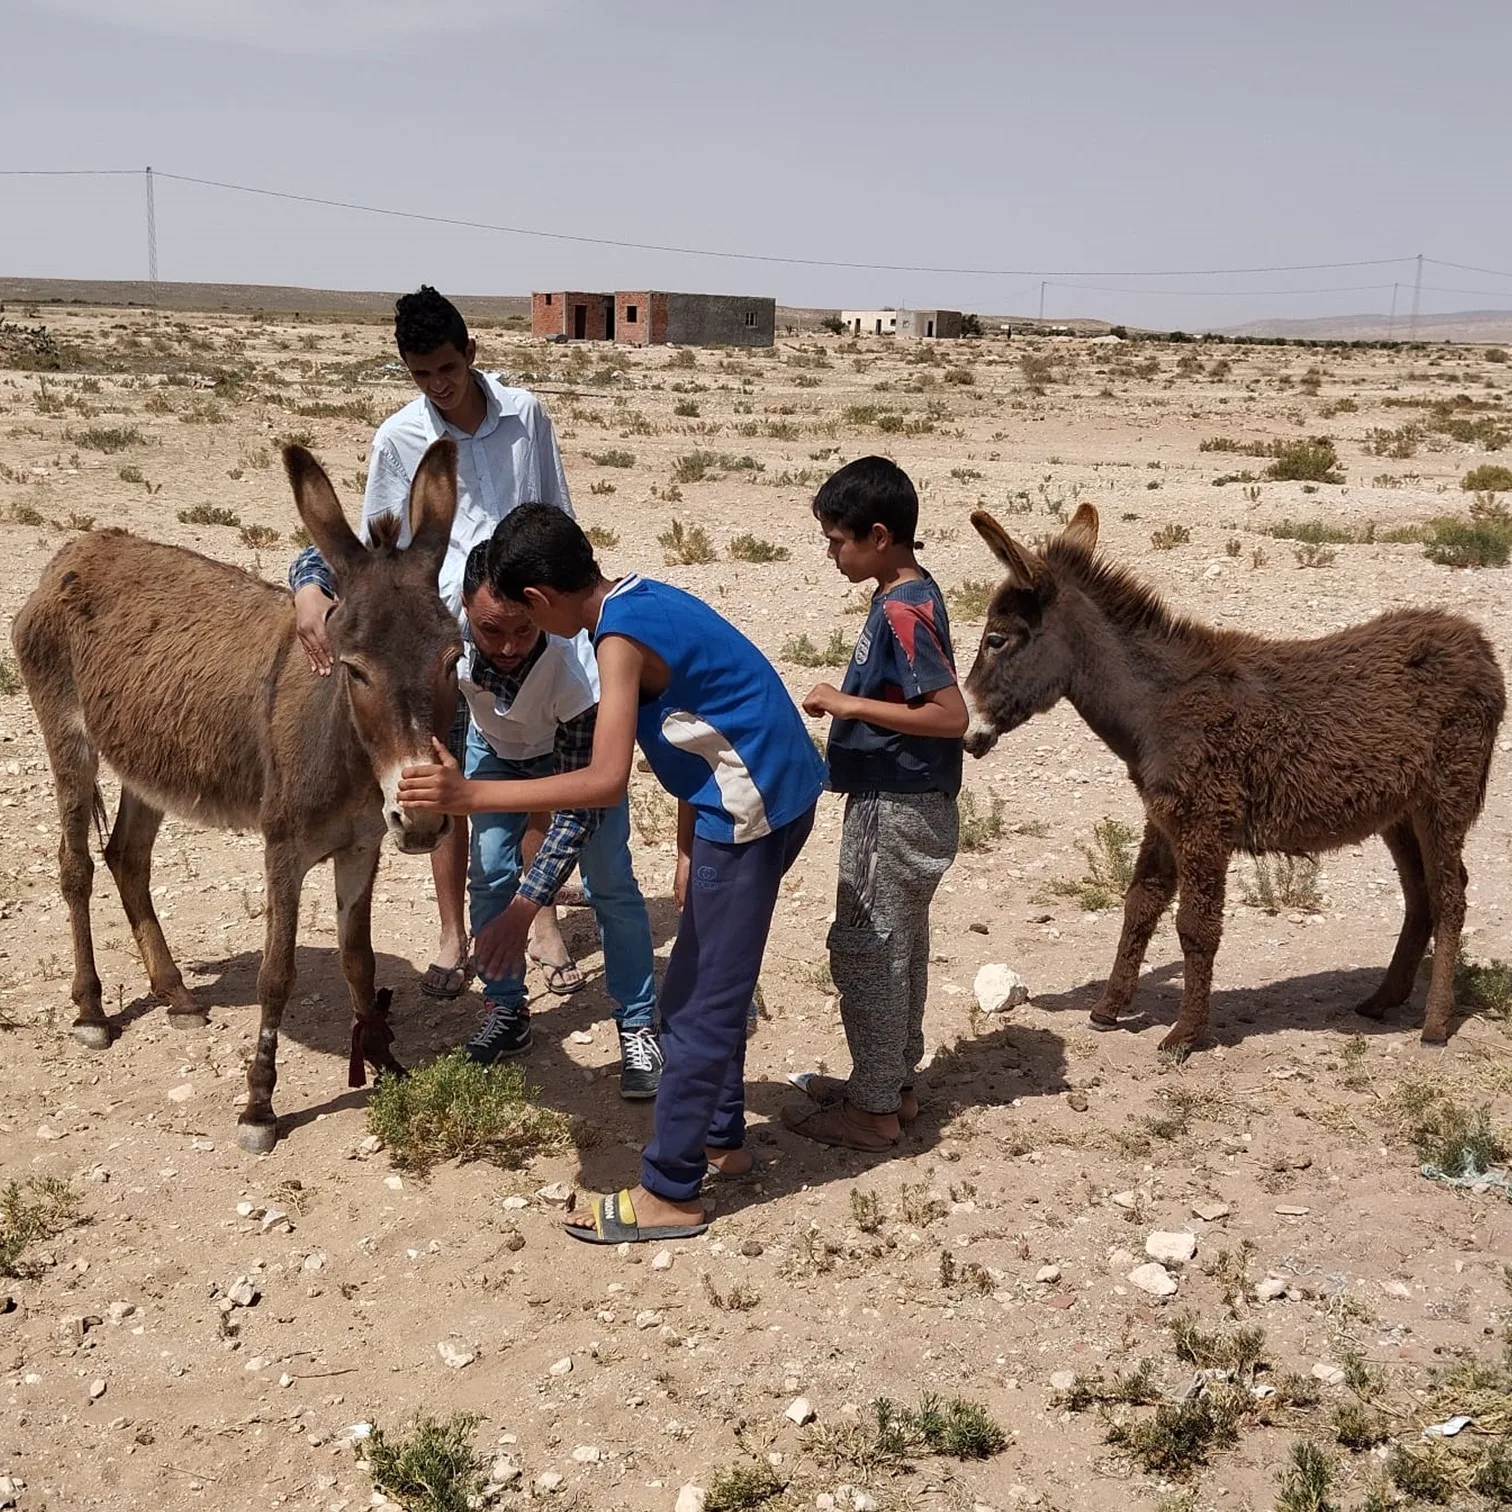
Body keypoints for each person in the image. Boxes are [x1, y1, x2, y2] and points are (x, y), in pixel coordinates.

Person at [397, 506, 825, 1244]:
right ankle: (722, 1140)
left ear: (537, 597)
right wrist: (689, 842)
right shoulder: (638, 597)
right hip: (771, 798)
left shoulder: (617, 640)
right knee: (700, 983)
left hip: (750, 818)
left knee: (697, 1009)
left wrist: (471, 796)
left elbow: (602, 781)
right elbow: (717, 710)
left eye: (518, 618)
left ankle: (670, 1193)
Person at [287, 286, 587, 1002]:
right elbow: (370, 552)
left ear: (470, 354)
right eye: (421, 374)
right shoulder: (397, 439)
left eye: (447, 369)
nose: (438, 385)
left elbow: (557, 512)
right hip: (436, 643)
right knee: (439, 779)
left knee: (531, 772)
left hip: (520, 626)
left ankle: (537, 915)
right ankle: (454, 932)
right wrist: (306, 579)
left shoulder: (526, 417)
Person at [781, 456, 968, 1152]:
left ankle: (872, 1111)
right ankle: (889, 1081)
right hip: (903, 798)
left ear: (880, 535)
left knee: (868, 948)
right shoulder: (906, 595)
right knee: (901, 946)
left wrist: (843, 701)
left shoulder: (904, 609)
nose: (831, 553)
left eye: (839, 541)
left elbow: (950, 715)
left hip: (896, 804)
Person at [455, 538, 661, 1098]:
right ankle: (506, 1011)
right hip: (494, 751)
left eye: (524, 630)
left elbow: (578, 812)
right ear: (463, 609)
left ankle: (638, 1022)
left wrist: (528, 908)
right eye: (491, 631)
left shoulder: (576, 675)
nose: (508, 646)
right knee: (489, 874)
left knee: (610, 882)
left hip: (573, 757)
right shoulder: (444, 636)